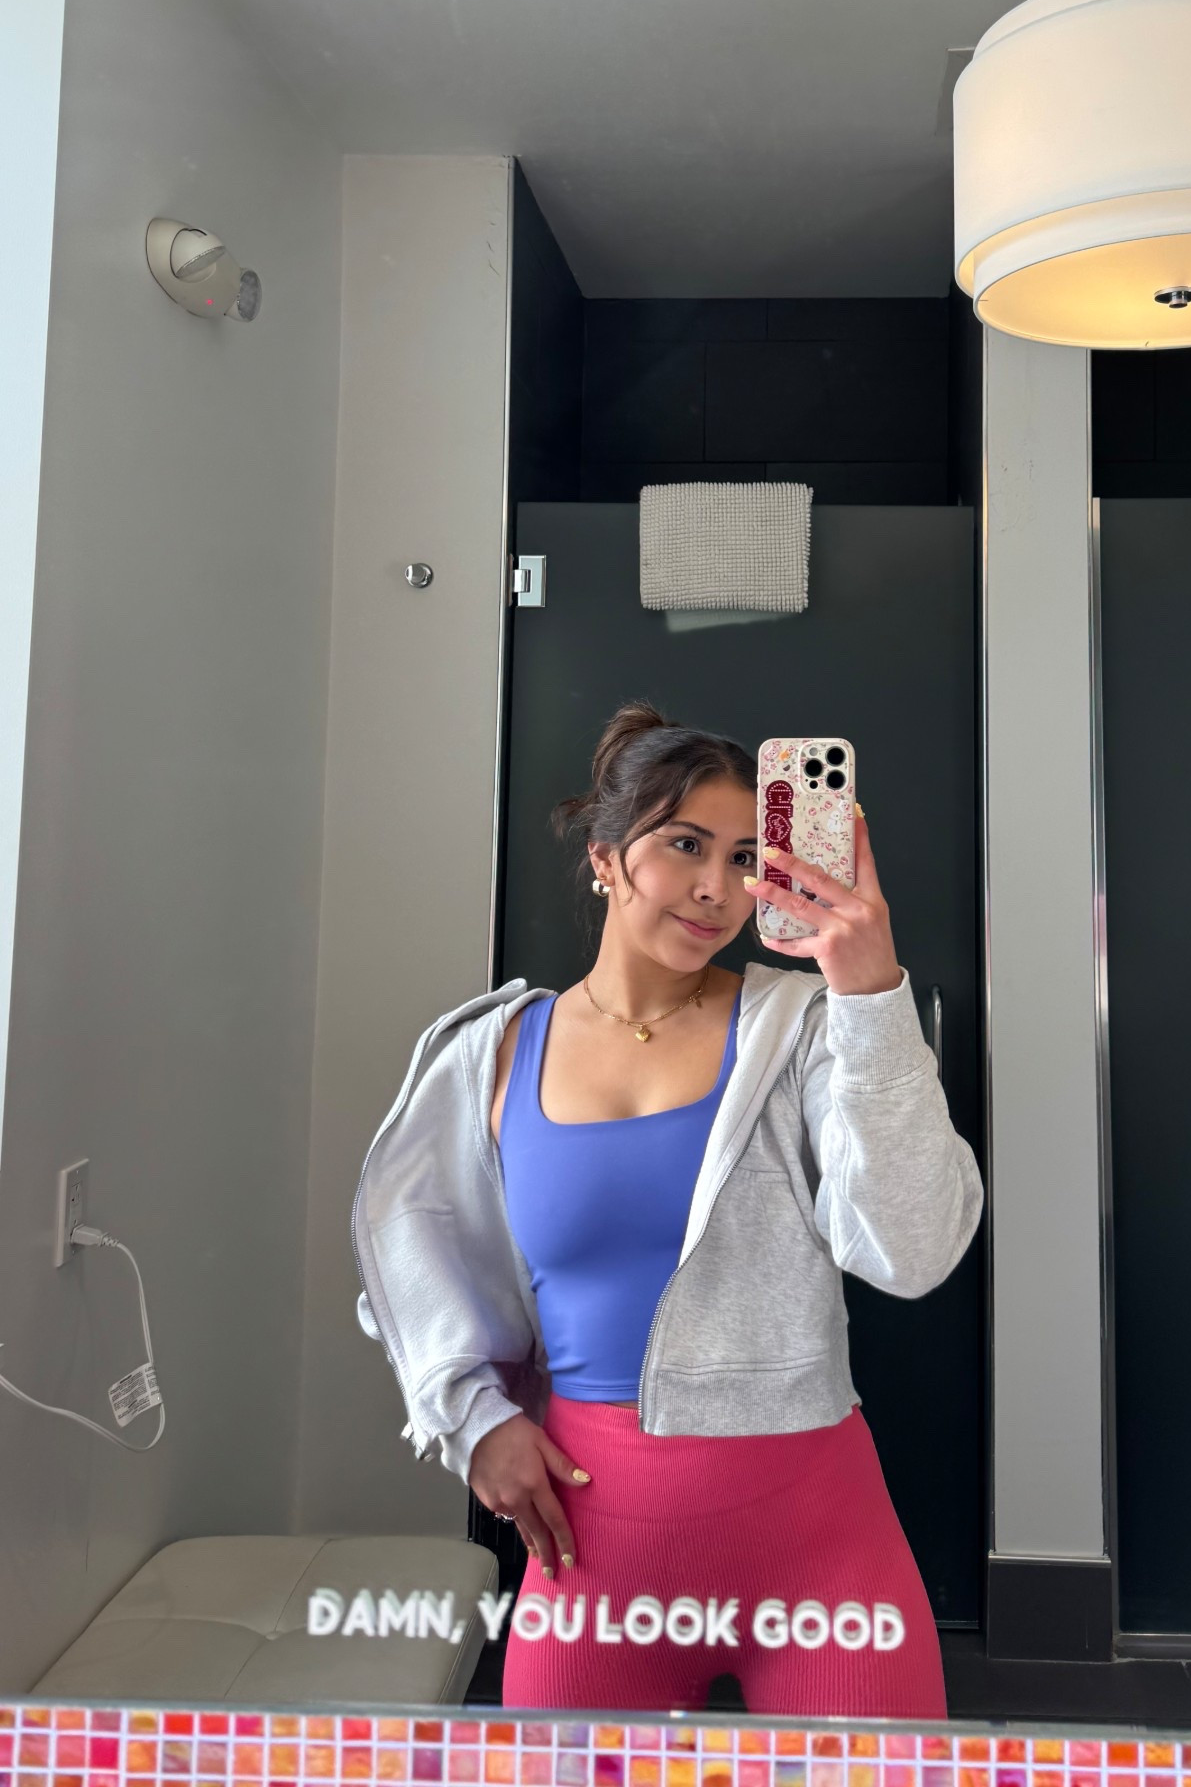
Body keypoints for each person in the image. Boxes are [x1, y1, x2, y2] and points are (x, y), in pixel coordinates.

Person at [351, 701, 983, 1718]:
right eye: (685, 844)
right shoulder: (490, 1053)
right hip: (595, 1555)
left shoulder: (804, 1027)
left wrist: (871, 996)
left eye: (745, 858)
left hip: (821, 1548)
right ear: (605, 856)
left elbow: (913, 1250)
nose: (716, 887)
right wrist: (473, 1421)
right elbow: (413, 1253)